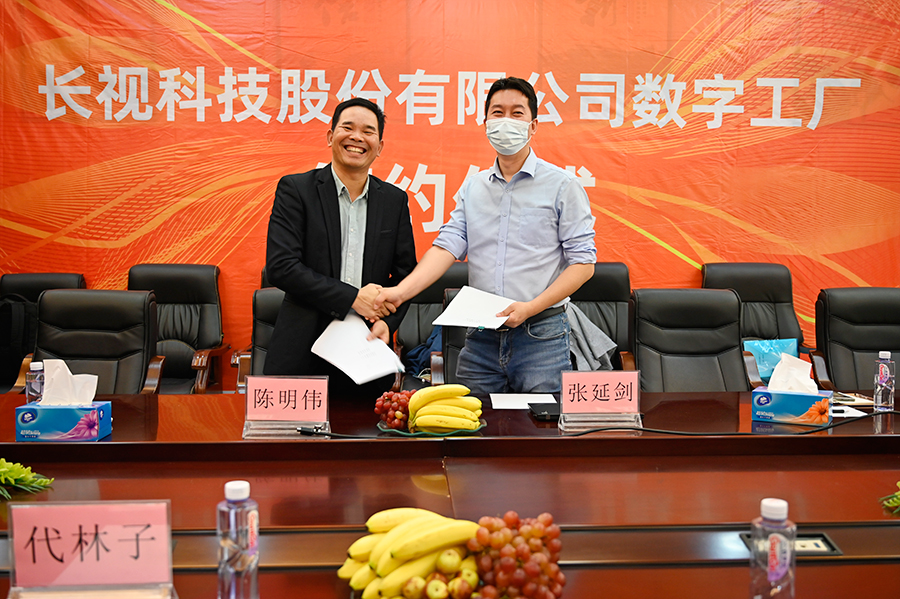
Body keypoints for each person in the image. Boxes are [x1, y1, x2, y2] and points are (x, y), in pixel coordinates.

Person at [375, 77, 596, 393]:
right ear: (486, 123)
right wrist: (401, 292)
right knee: (475, 419)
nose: (506, 121)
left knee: (541, 421)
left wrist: (529, 308)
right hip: (481, 336)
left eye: (516, 113)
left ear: (533, 126)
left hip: (541, 334)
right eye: (497, 112)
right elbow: (446, 247)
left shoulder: (563, 186)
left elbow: (583, 265)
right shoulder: (474, 187)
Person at [264, 97, 416, 395]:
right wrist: (352, 298)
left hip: (366, 350)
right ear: (330, 136)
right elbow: (282, 267)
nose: (357, 137)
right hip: (301, 350)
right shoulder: (296, 190)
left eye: (368, 131)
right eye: (348, 127)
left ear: (379, 146)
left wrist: (389, 323)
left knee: (364, 425)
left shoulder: (394, 201)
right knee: (289, 427)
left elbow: (405, 277)